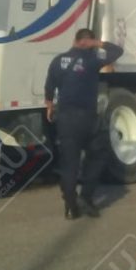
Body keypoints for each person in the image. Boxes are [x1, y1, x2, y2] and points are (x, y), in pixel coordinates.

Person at [43, 29, 124, 220]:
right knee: (98, 154)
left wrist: (49, 107)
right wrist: (97, 43)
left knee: (69, 163)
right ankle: (86, 197)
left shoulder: (57, 61)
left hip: (66, 119)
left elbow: (49, 88)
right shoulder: (91, 61)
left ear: (74, 40)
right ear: (87, 42)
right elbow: (117, 51)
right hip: (87, 119)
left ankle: (70, 206)